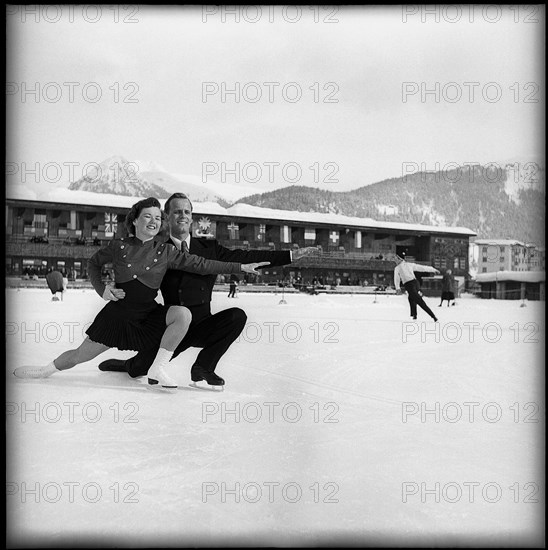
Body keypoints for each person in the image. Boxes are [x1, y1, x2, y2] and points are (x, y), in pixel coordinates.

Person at [13, 197, 269, 388]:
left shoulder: (165, 251)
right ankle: (44, 371)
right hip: (119, 316)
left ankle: (158, 369)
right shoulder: (118, 246)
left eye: (158, 218)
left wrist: (240, 266)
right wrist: (103, 290)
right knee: (80, 355)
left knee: (182, 314)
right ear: (135, 220)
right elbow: (93, 264)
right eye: (148, 216)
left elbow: (203, 264)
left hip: (147, 316)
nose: (154, 221)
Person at [98, 192, 317, 389]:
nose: (182, 216)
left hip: (203, 323)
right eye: (176, 212)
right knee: (140, 369)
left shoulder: (210, 249)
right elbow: (135, 280)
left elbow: (246, 257)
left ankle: (203, 367)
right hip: (174, 327)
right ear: (167, 217)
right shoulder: (157, 249)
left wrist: (288, 256)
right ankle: (128, 364)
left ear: (192, 217)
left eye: (186, 211)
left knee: (236, 317)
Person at [394, 255, 438, 322]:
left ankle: (433, 316)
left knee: (419, 301)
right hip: (416, 283)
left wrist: (397, 288)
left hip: (409, 285)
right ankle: (414, 315)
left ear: (400, 259)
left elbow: (396, 279)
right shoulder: (409, 264)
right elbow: (422, 268)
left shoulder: (397, 268)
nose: (395, 261)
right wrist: (432, 269)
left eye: (395, 260)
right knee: (411, 298)